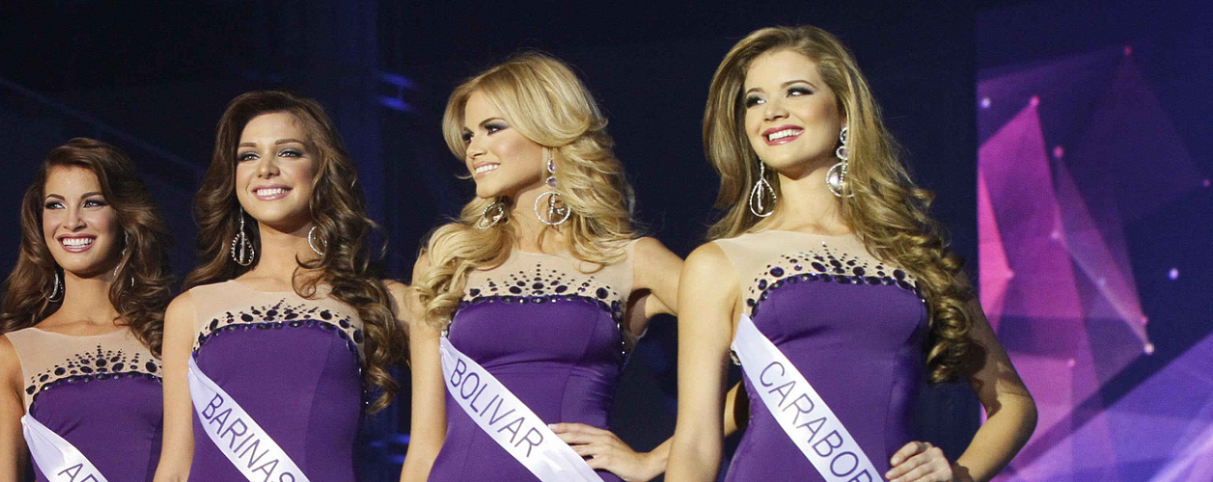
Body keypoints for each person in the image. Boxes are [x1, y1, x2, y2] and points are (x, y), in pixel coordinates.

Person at [666, 26, 1037, 482]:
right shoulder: (719, 263)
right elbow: (696, 443)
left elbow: (1012, 403)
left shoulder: (912, 254)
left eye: (796, 91)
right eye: (754, 100)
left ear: (843, 112)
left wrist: (959, 475)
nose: (772, 111)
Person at [400, 52, 683, 482]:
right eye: (468, 136)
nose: (474, 149)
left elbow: (767, 346)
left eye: (493, 128)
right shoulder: (448, 261)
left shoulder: (631, 259)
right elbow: (424, 445)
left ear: (548, 131)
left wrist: (655, 459)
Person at [153, 91, 405, 482]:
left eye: (288, 152)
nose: (266, 169)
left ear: (322, 169)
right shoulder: (191, 310)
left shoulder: (377, 300)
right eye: (248, 156)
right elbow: (175, 465)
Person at [0, 138, 175, 482]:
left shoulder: (170, 334)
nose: (71, 222)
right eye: (55, 205)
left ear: (125, 216)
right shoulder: (8, 354)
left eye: (92, 203)